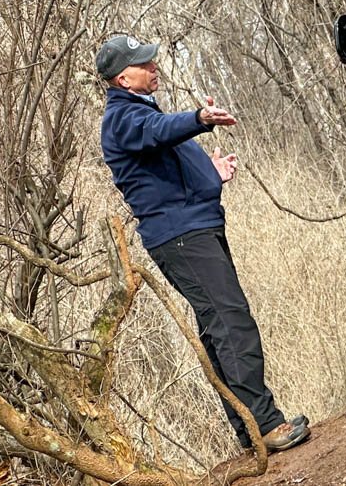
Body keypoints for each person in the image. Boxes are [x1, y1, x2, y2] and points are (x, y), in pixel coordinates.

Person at [96, 34, 309, 453]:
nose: (154, 66)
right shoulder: (122, 118)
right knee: (231, 322)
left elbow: (161, 160)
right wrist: (200, 118)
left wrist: (208, 172)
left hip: (194, 229)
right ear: (123, 78)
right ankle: (265, 425)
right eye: (145, 63)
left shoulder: (137, 110)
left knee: (217, 329)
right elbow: (160, 132)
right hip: (181, 239)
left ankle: (249, 430)